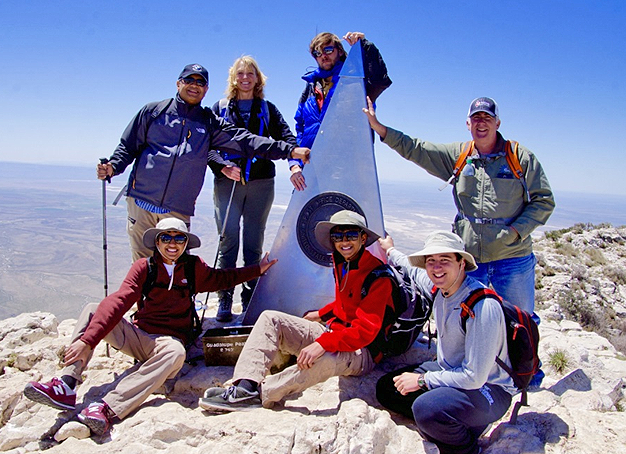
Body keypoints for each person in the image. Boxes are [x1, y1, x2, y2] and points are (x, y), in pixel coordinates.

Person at [363, 96, 554, 387]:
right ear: (468, 124)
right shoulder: (459, 156)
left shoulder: (520, 157)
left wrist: (515, 232)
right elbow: (417, 149)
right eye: (476, 118)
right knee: (465, 317)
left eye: (487, 118)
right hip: (470, 259)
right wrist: (381, 129)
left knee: (521, 319)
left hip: (512, 257)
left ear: (497, 123)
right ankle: (466, 372)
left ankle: (527, 378)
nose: (481, 123)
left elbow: (544, 201)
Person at [23, 218, 277, 435]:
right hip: (140, 337)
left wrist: (258, 269)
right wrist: (88, 341)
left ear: (186, 243)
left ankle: (107, 407)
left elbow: (222, 278)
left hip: (169, 345)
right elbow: (120, 300)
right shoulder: (145, 267)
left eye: (179, 238)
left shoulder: (193, 267)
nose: (172, 244)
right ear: (157, 241)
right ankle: (67, 383)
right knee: (93, 309)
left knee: (175, 352)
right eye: (166, 237)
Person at [97, 63, 311, 261]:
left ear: (206, 89)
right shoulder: (154, 112)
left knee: (176, 265)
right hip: (141, 203)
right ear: (178, 83)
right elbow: (128, 146)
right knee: (142, 265)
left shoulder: (208, 122)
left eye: (200, 82)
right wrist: (113, 167)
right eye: (189, 80)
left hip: (177, 207)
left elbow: (246, 141)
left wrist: (290, 151)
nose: (194, 85)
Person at [198, 210, 393, 412]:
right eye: (338, 236)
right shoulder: (343, 261)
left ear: (363, 238)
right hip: (336, 333)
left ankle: (263, 394)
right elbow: (348, 301)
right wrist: (321, 314)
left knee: (324, 358)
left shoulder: (378, 276)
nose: (344, 241)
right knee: (271, 319)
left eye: (351, 235)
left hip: (363, 351)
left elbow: (365, 332)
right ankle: (244, 387)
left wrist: (322, 344)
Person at [375, 231, 516, 454]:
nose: (437, 267)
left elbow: (474, 377)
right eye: (431, 261)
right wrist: (390, 250)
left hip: (489, 388)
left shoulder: (481, 305)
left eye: (445, 260)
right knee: (388, 388)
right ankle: (453, 421)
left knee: (426, 408)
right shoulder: (441, 289)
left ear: (461, 263)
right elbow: (412, 270)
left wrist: (422, 380)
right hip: (450, 371)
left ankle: (467, 448)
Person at [207, 56, 297, 322]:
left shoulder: (268, 109)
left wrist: (294, 163)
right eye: (240, 73)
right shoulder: (220, 108)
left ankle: (249, 298)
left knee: (253, 243)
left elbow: (287, 137)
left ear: (258, 78)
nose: (245, 78)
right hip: (228, 183)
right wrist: (222, 167)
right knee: (227, 241)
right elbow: (206, 145)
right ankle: (225, 298)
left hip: (261, 183)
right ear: (233, 78)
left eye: (250, 73)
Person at [289, 31, 391, 191]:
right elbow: (300, 129)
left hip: (347, 172)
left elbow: (379, 80)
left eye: (328, 50)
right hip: (311, 171)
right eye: (317, 53)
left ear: (340, 51)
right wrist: (295, 164)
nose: (323, 56)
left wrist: (365, 46)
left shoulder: (355, 83)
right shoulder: (310, 88)